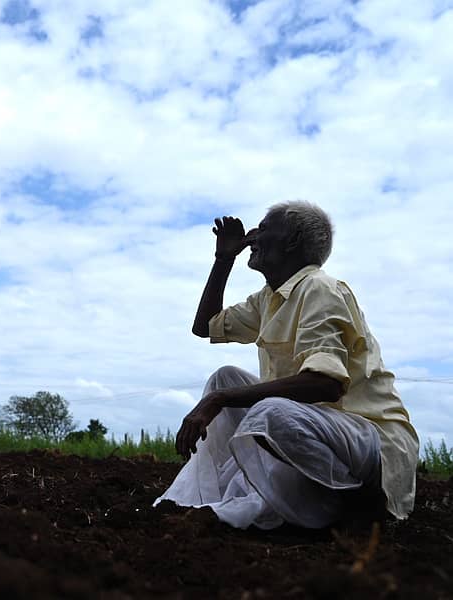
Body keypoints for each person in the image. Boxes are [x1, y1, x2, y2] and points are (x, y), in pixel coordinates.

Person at [154, 201, 419, 529]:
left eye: (264, 230)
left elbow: (326, 384)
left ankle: (355, 505)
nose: (252, 237)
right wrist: (224, 260)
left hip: (369, 439)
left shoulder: (321, 289)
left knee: (267, 412)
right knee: (225, 379)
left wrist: (218, 401)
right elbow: (205, 326)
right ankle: (299, 496)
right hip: (314, 429)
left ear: (292, 241)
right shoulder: (268, 298)